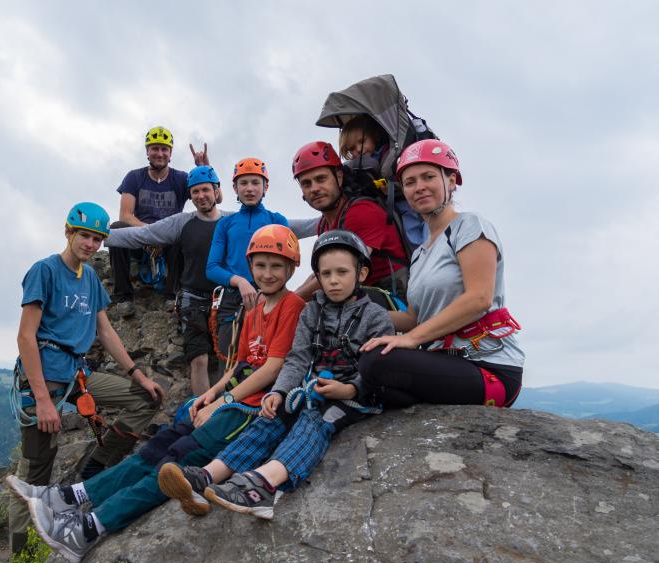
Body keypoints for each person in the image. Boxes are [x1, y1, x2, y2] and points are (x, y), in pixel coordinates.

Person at [6, 225, 305, 563]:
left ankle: (91, 527)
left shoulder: (291, 305)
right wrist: (210, 395)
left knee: (174, 464)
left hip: (248, 412)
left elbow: (273, 367)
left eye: (276, 266)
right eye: (260, 265)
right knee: (155, 449)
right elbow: (240, 365)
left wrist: (224, 401)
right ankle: (70, 496)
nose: (267, 274)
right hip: (232, 400)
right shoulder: (256, 307)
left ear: (291, 269)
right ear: (250, 266)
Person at [159, 230, 393, 519]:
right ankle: (208, 475)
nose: (333, 280)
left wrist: (350, 389)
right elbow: (297, 359)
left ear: (362, 273)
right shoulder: (313, 311)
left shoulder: (376, 316)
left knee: (315, 420)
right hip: (313, 388)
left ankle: (264, 484)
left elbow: (378, 367)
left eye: (342, 272)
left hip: (354, 396)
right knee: (272, 416)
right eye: (326, 273)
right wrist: (279, 392)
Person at [7, 202, 165, 554]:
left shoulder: (90, 278)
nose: (91, 244)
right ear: (68, 232)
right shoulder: (45, 271)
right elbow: (25, 337)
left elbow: (105, 330)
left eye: (97, 239)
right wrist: (43, 401)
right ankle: (19, 556)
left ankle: (94, 469)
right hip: (45, 378)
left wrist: (137, 374)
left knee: (144, 399)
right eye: (84, 236)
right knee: (36, 471)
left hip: (77, 375)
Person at [358, 139, 524, 409]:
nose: (419, 187)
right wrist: (357, 313)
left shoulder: (469, 225)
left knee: (376, 361)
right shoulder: (420, 254)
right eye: (410, 182)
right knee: (365, 361)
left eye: (428, 177)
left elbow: (479, 298)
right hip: (447, 360)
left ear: (451, 181)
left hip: (488, 365)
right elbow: (414, 318)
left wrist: (412, 339)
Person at [105, 165, 228, 396]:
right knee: (199, 359)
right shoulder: (183, 221)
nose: (201, 195)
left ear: (216, 191)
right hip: (192, 299)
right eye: (195, 192)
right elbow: (141, 234)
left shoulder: (232, 220)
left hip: (225, 299)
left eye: (206, 190)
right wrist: (97, 235)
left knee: (228, 358)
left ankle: (224, 408)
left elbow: (272, 226)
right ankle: (201, 408)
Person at [291, 140, 409, 303]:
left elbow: (343, 270)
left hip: (392, 296)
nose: (314, 188)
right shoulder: (324, 224)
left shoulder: (361, 212)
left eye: (321, 179)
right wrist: (290, 297)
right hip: (361, 296)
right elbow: (321, 273)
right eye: (306, 183)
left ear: (339, 177)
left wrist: (290, 301)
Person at [206, 157, 289, 365]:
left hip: (268, 299)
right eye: (243, 183)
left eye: (255, 182)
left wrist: (266, 290)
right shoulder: (226, 224)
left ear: (265, 187)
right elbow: (212, 268)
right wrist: (240, 281)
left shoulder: (277, 221)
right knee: (229, 364)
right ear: (235, 188)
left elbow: (287, 264)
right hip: (232, 300)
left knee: (266, 362)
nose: (249, 189)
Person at [110, 126, 190, 316]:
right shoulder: (134, 177)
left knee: (186, 230)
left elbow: (213, 199)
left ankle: (172, 296)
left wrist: (206, 169)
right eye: (155, 148)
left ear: (170, 154)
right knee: (116, 228)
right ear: (147, 151)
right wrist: (151, 234)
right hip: (140, 238)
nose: (160, 153)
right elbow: (126, 215)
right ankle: (123, 296)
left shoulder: (181, 179)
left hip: (170, 241)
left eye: (164, 149)